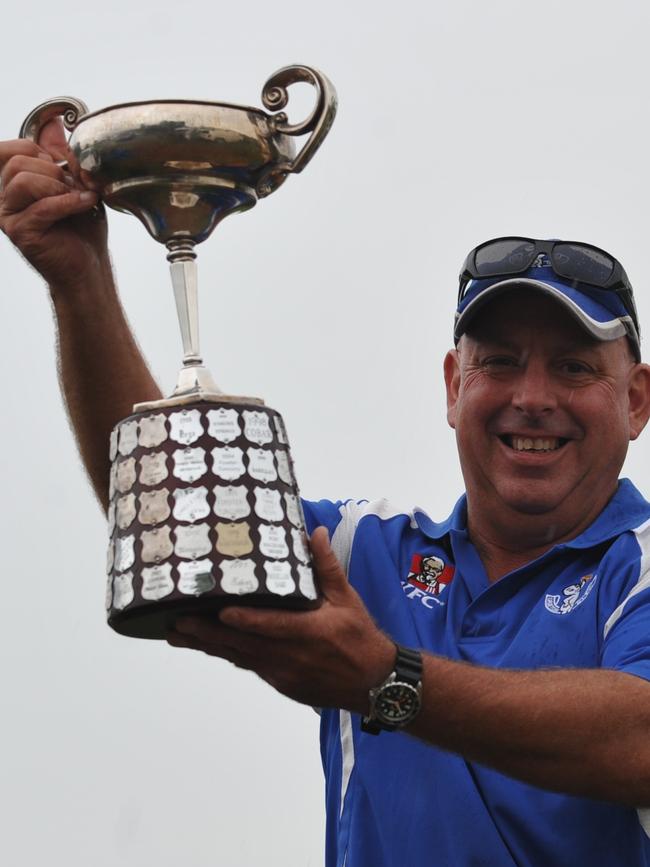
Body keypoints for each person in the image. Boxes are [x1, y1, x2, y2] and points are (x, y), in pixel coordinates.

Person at [3, 123, 650, 867]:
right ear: (453, 385)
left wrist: (385, 679)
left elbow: (640, 736)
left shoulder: (639, 563)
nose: (532, 398)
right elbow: (171, 515)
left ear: (636, 399)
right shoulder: (360, 554)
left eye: (574, 368)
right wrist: (79, 280)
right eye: (499, 362)